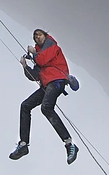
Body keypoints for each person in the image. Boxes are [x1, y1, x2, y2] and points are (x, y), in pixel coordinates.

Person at [9, 29, 79, 165]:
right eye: (35, 36)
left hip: (57, 81)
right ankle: (23, 144)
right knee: (25, 105)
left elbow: (42, 59)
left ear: (45, 36)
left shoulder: (51, 45)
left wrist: (34, 54)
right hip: (47, 85)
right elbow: (34, 75)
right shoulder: (39, 53)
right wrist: (25, 66)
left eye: (39, 35)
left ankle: (69, 144)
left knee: (46, 107)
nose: (37, 37)